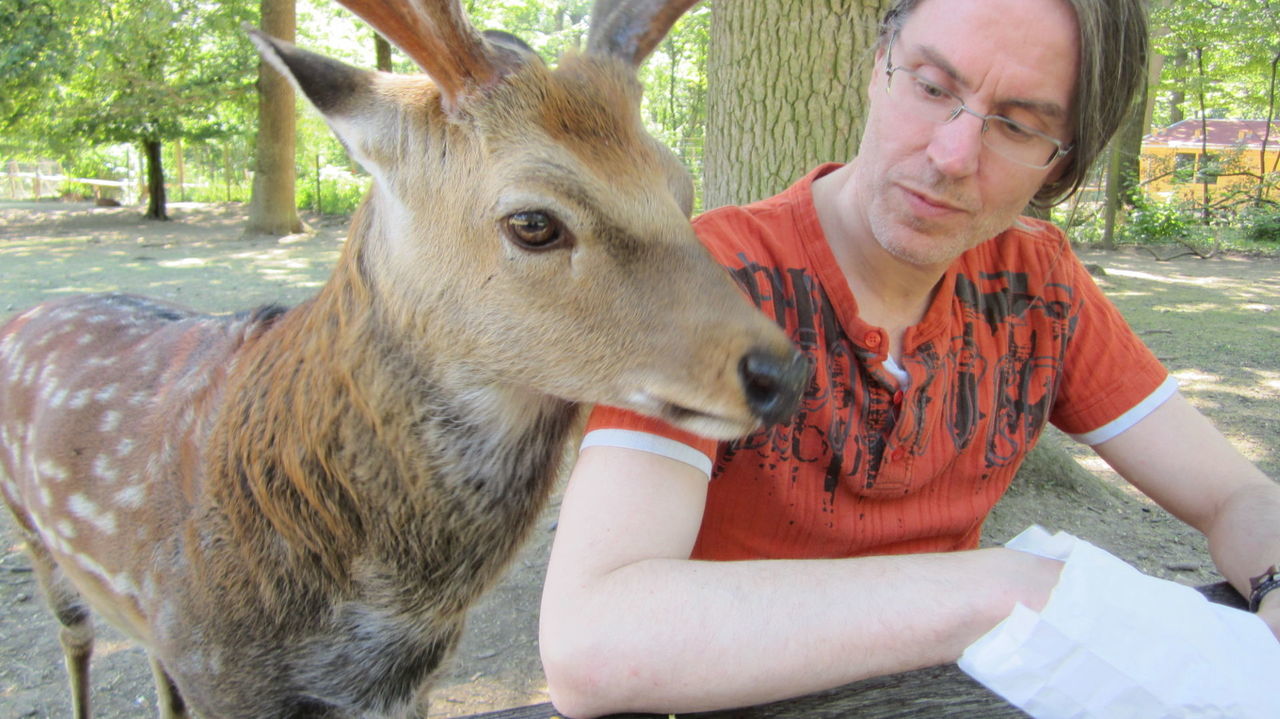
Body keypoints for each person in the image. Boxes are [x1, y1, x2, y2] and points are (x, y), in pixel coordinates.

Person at [538, 0, 1280, 716]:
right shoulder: (709, 281)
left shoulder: (1038, 284)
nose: (952, 155)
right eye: (931, 87)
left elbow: (1234, 496)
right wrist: (995, 591)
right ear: (877, 64)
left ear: (1059, 165)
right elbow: (591, 641)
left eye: (1018, 127)